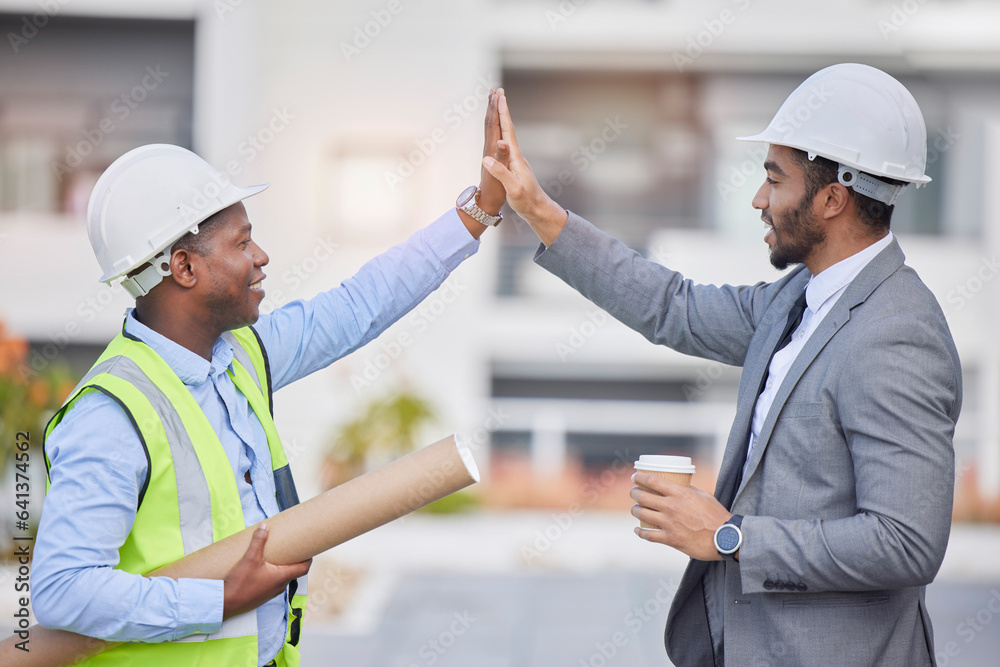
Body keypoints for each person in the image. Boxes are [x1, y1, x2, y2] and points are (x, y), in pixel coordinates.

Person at [482, 64, 961, 666]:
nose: (759, 200)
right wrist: (535, 206)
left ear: (833, 198)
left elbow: (906, 543)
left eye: (774, 180)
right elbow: (671, 306)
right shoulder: (799, 298)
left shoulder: (897, 335)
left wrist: (729, 536)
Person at [32, 90, 507, 666]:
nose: (261, 256)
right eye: (240, 242)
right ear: (182, 267)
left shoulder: (242, 358)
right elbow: (62, 591)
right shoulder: (113, 414)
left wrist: (479, 211)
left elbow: (359, 305)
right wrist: (220, 598)